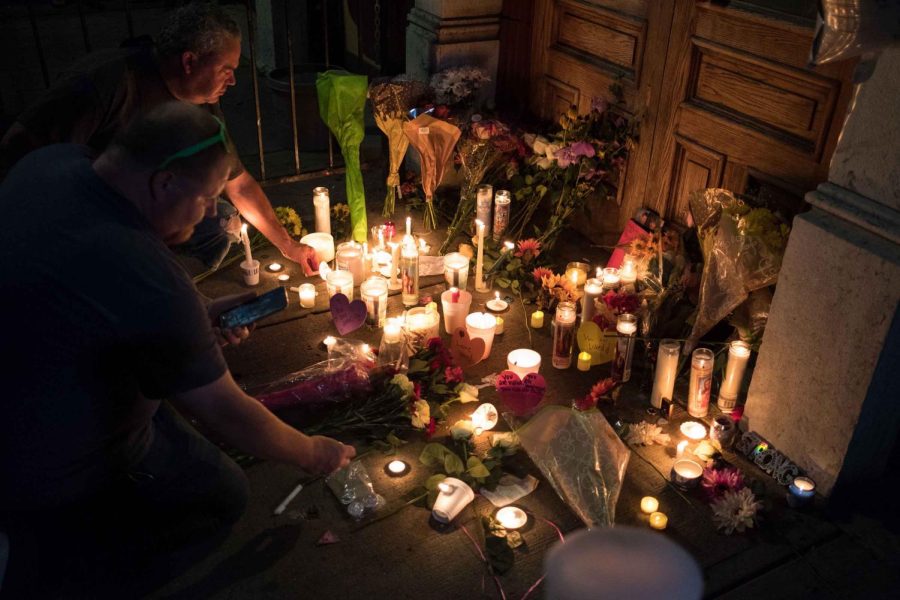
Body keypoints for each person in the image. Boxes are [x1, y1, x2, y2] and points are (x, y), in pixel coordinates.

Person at [0, 102, 355, 597]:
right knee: (219, 497)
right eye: (209, 197)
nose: (213, 212)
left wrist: (196, 316)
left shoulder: (52, 164)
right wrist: (313, 452)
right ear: (164, 183)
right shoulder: (149, 278)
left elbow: (92, 295)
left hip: (35, 371)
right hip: (54, 457)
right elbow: (227, 413)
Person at [0, 2, 318, 274]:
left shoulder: (203, 101)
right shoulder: (106, 84)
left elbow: (237, 182)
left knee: (221, 225)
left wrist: (289, 246)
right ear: (189, 62)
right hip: (84, 212)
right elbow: (18, 148)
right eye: (225, 69)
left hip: (150, 203)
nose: (233, 80)